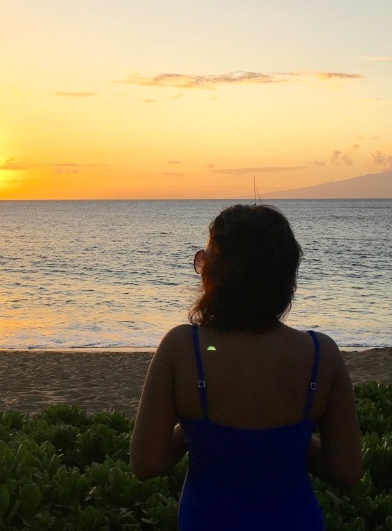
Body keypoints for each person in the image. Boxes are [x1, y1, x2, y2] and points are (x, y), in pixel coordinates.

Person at [130, 204, 361, 531]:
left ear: (217, 275)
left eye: (205, 259)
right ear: (285, 277)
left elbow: (146, 463)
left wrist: (195, 432)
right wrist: (283, 442)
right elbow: (346, 471)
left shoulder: (182, 349)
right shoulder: (320, 354)